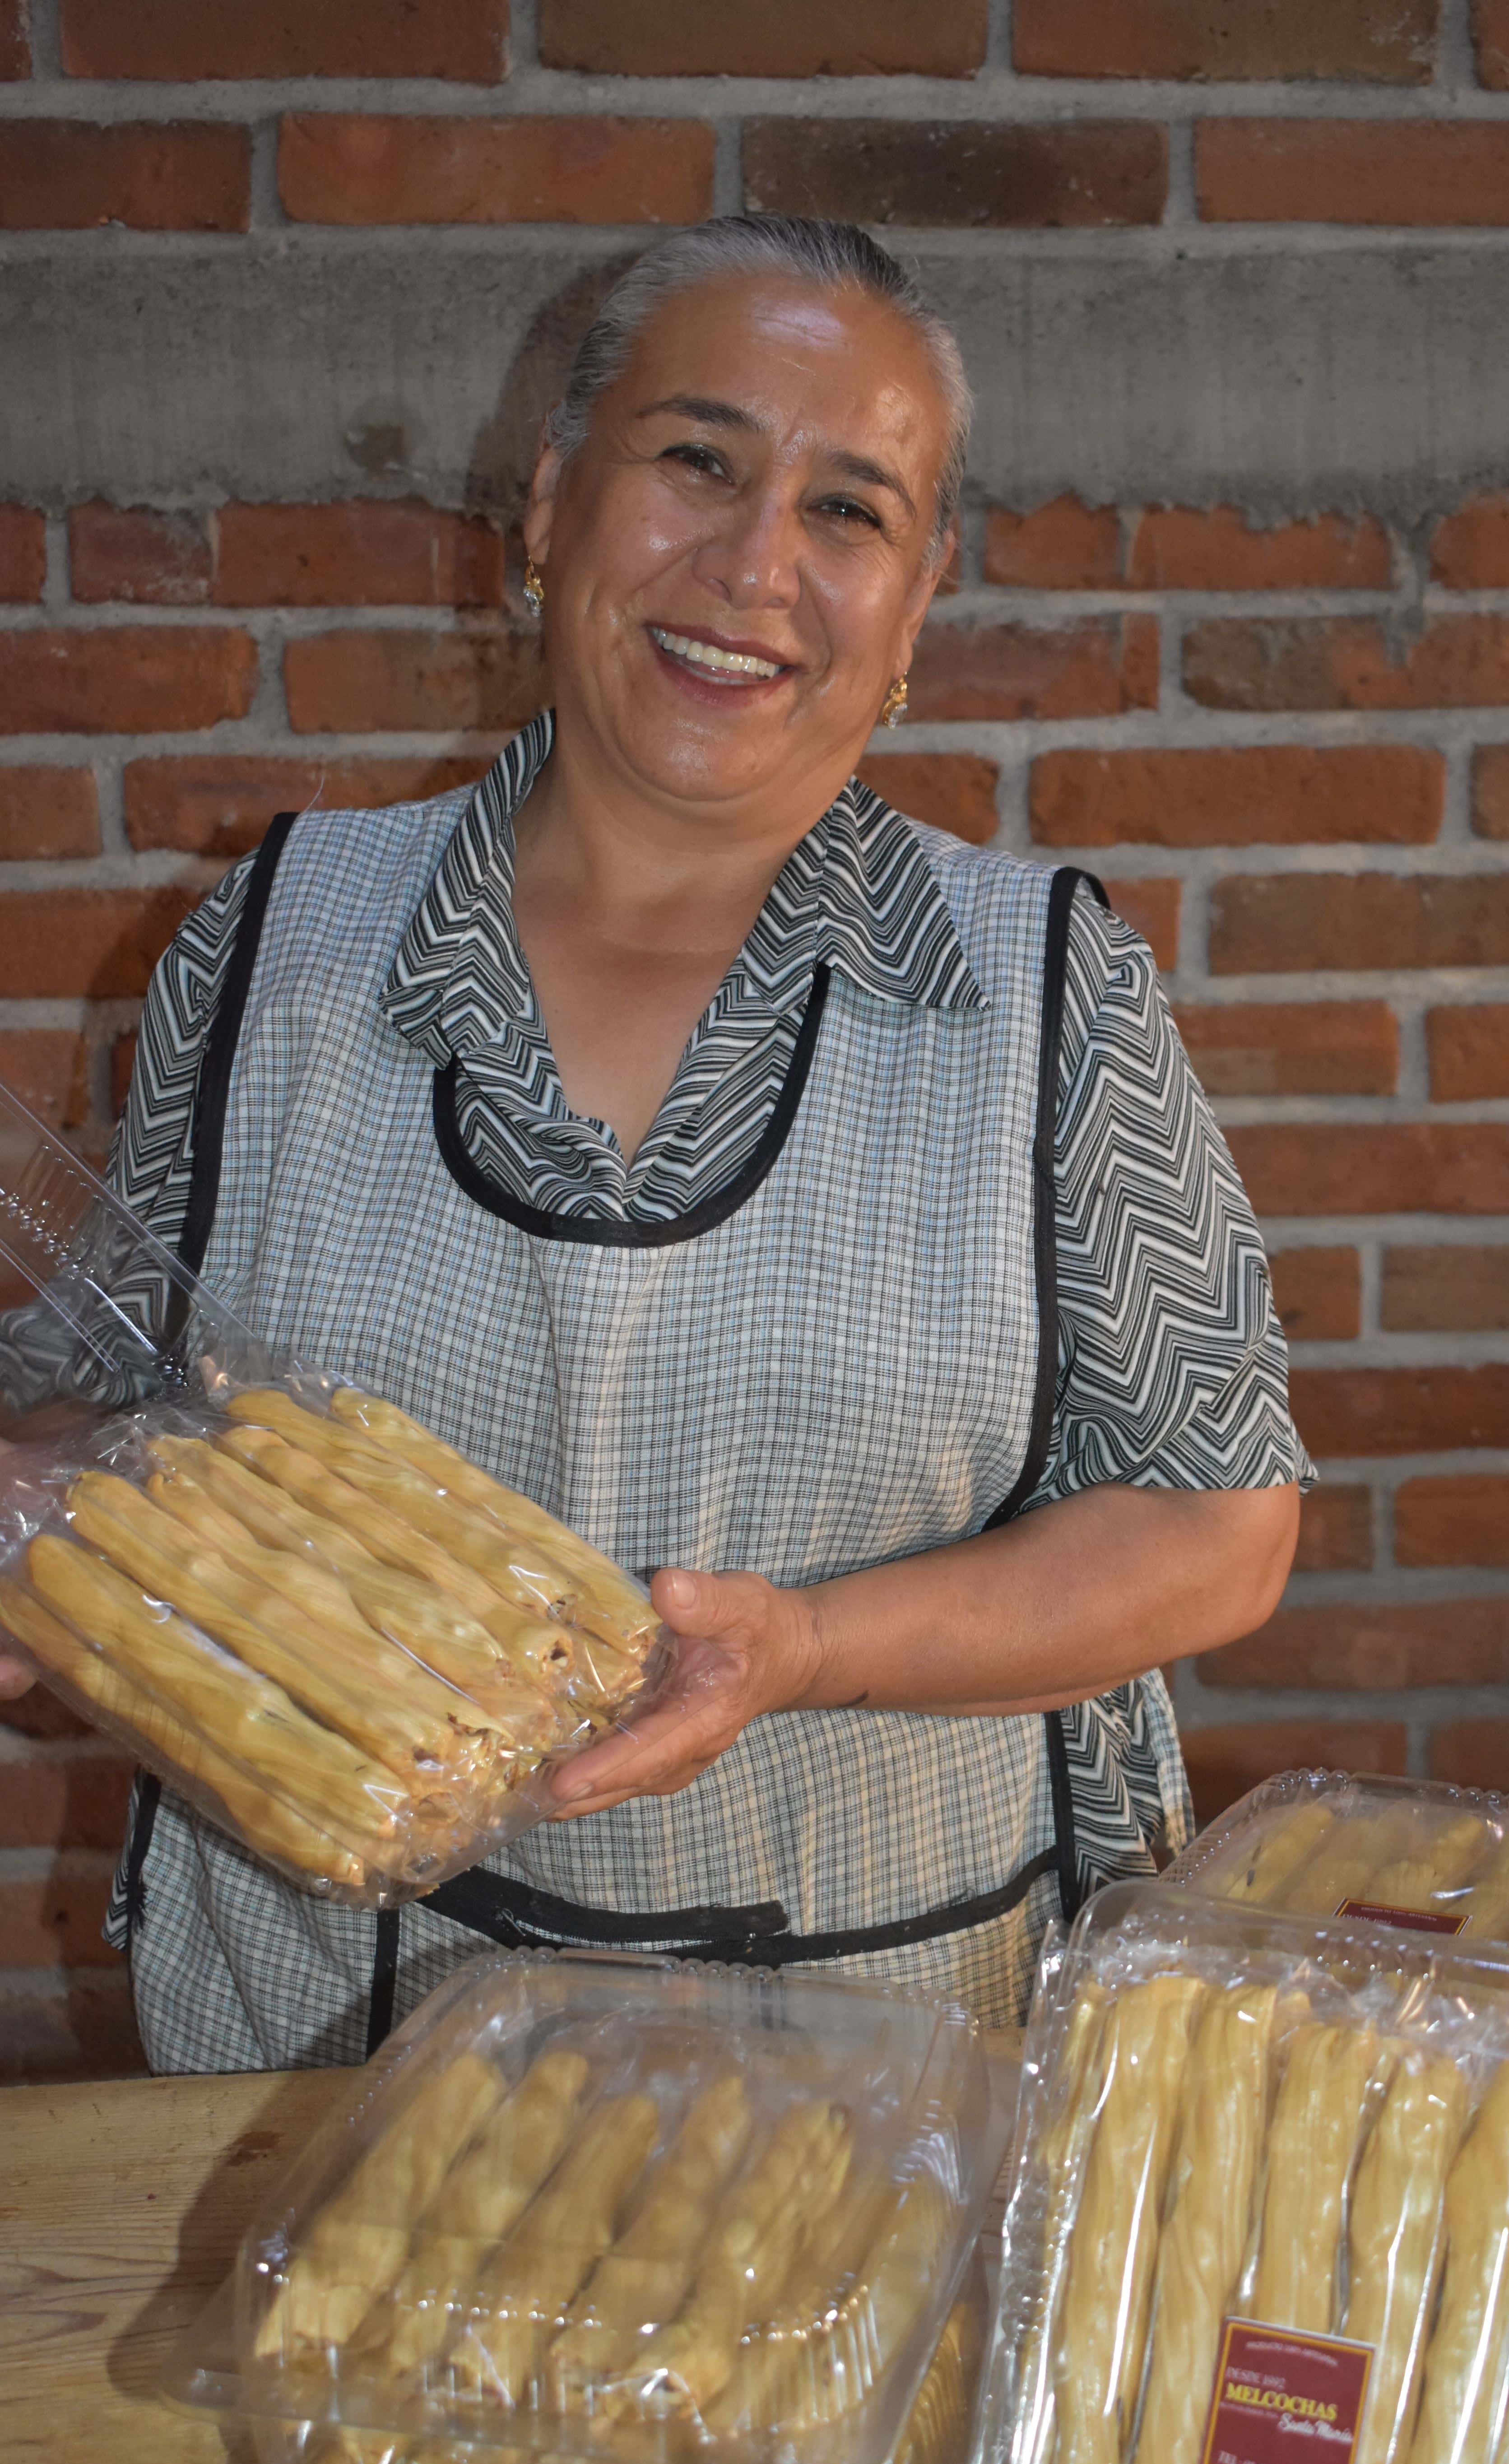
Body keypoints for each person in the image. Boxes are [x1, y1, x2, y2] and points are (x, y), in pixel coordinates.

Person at [0, 216, 1308, 2070]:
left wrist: (802, 1646)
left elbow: (1213, 1526)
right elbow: (109, 1417)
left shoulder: (1040, 995)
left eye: (849, 509)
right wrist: (39, 1521)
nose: (756, 562)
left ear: (919, 599)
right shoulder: (276, 940)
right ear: (545, 508)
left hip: (886, 2051)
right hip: (318, 2041)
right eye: (697, 460)